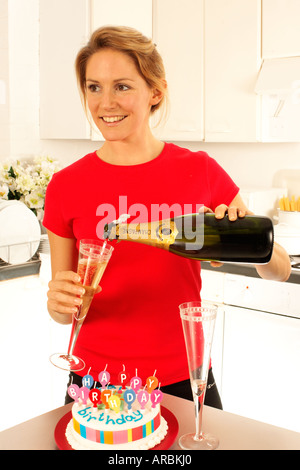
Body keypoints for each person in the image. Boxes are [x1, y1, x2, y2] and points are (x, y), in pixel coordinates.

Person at [43, 26, 291, 408]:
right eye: (94, 87)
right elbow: (65, 312)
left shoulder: (200, 170)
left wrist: (242, 238)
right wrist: (57, 303)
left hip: (182, 376)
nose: (105, 102)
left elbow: (281, 269)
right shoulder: (66, 185)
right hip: (96, 380)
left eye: (122, 86)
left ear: (155, 92)